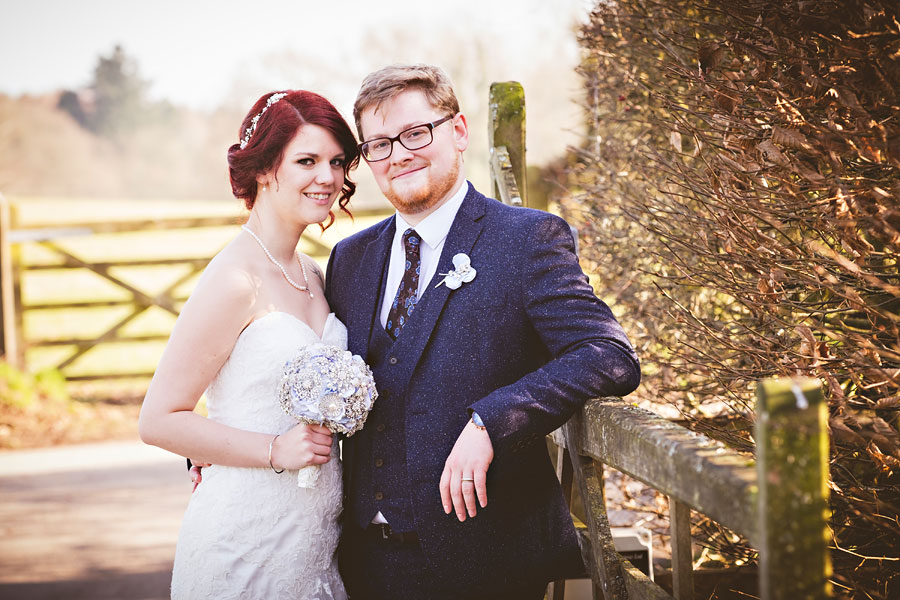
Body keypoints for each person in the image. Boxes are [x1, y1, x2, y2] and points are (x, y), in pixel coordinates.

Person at [326, 64, 641, 599]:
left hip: (487, 560)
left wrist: (493, 420)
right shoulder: (349, 258)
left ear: (459, 130)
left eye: (415, 133)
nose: (398, 154)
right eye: (378, 144)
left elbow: (608, 354)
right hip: (363, 563)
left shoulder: (527, 240)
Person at [138, 89, 360, 600]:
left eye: (336, 161)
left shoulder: (314, 273)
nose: (327, 177)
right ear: (263, 169)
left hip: (312, 541)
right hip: (243, 541)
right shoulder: (236, 279)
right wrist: (273, 449)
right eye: (307, 160)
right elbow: (159, 418)